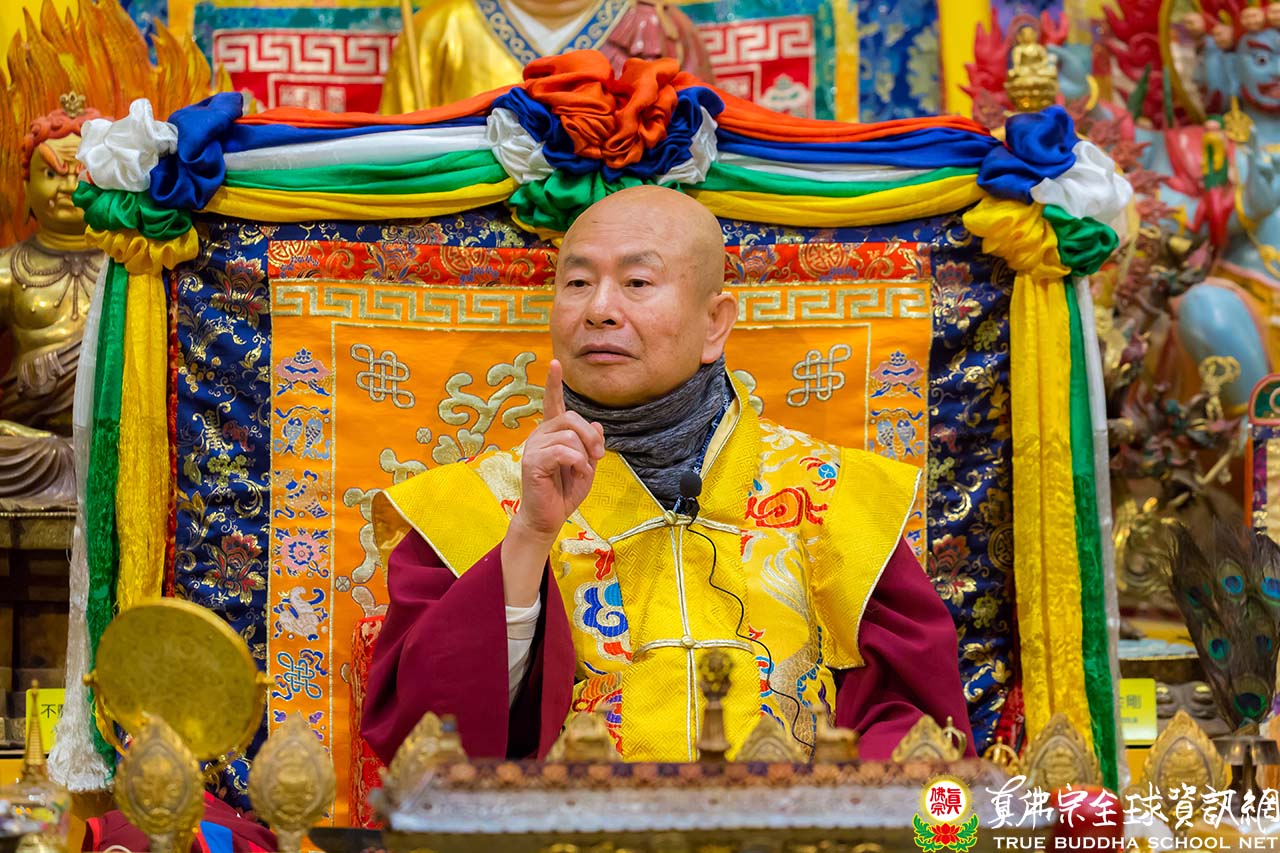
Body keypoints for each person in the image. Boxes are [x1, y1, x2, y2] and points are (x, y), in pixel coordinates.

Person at [362, 185, 973, 763]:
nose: (600, 310)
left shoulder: (833, 495)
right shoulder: (471, 504)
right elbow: (428, 745)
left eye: (637, 282)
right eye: (577, 283)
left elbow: (916, 727)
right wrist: (529, 537)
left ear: (715, 324)